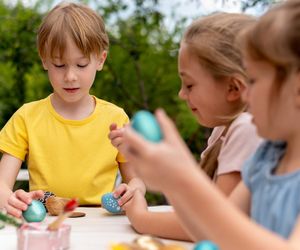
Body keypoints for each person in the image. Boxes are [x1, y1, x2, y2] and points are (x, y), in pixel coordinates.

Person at [121, 1, 300, 248]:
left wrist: (184, 178)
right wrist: (171, 181)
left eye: (255, 80)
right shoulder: (266, 159)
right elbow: (212, 232)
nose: (245, 95)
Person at [109, 13, 262, 241]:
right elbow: (197, 207)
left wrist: (141, 218)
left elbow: (211, 224)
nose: (182, 94)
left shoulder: (246, 129)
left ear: (233, 88)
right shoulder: (223, 130)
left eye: (189, 84)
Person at [0, 2, 145, 218]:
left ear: (100, 60)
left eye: (81, 64)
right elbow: (2, 185)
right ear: (44, 60)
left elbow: (136, 180)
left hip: (101, 227)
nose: (70, 76)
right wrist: (10, 199)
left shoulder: (116, 118)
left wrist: (134, 190)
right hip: (46, 223)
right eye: (59, 65)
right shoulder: (26, 117)